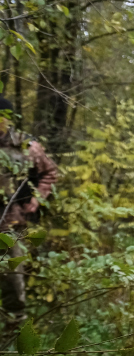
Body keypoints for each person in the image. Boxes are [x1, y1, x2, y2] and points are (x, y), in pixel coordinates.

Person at [0, 97, 58, 320]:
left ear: (8, 118)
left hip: (13, 218)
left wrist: (37, 197)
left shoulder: (27, 146)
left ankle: (14, 323)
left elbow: (49, 172)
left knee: (12, 273)